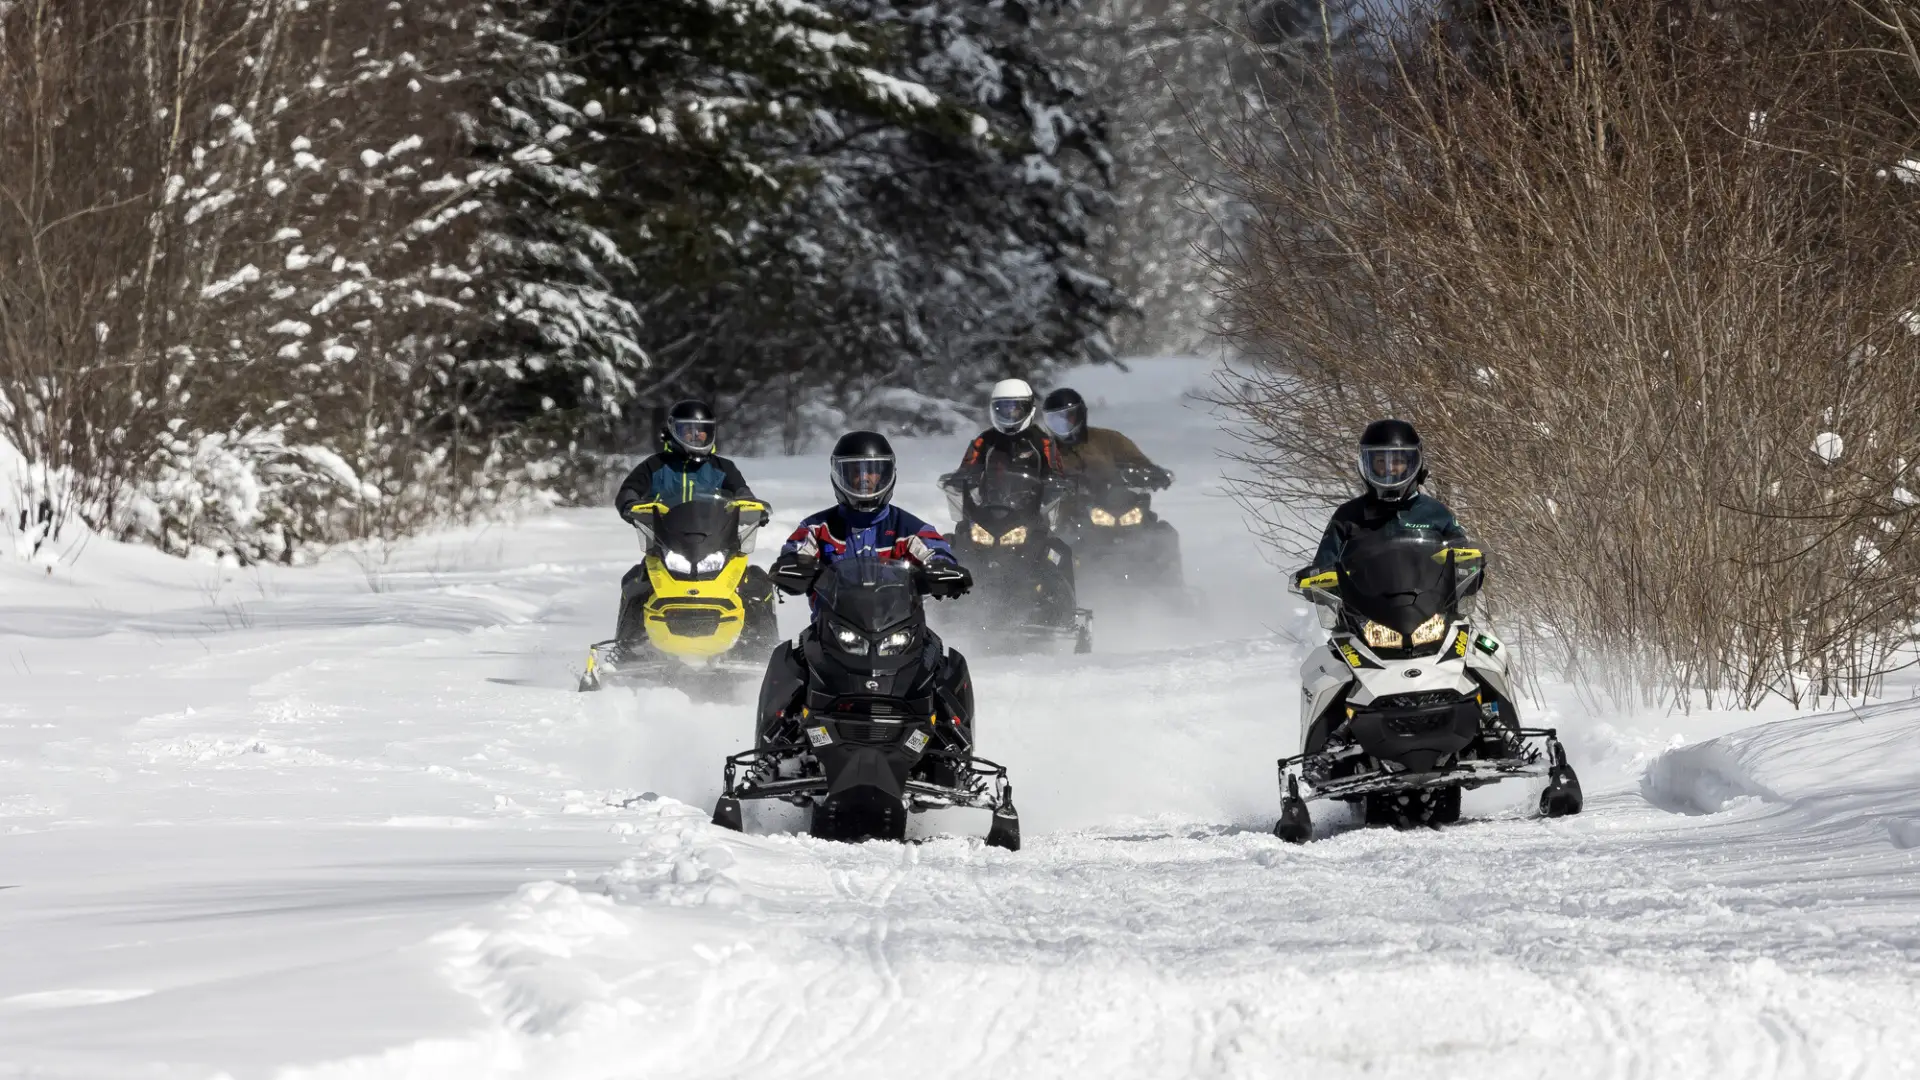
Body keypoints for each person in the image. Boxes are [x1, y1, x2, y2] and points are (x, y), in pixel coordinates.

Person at [757, 430, 973, 741]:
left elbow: (935, 549)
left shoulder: (907, 528)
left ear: (888, 474)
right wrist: (793, 568)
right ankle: (774, 748)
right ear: (838, 476)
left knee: (946, 664)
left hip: (902, 634)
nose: (863, 479)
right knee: (787, 660)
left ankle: (953, 748)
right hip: (830, 633)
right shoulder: (819, 528)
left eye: (872, 470)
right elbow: (795, 551)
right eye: (854, 471)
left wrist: (942, 570)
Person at [610, 399, 776, 648]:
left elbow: (742, 494)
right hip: (666, 545)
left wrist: (753, 509)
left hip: (718, 545)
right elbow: (629, 490)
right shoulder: (655, 467)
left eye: (702, 430)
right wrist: (631, 505)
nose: (696, 435)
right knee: (636, 582)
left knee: (756, 583)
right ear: (674, 431)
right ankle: (628, 647)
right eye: (689, 430)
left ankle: (761, 645)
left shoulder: (723, 468)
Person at [1305, 418, 1471, 576]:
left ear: (1413, 464)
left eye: (1397, 461)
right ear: (1367, 464)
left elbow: (1466, 564)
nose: (1389, 468)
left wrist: (1469, 566)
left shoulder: (1435, 513)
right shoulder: (1348, 516)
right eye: (1380, 461)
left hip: (1429, 604)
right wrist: (1319, 577)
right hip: (1362, 605)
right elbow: (1323, 567)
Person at [1041, 387, 1172, 490]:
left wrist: (1152, 473)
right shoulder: (1045, 448)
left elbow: (1137, 460)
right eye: (1054, 420)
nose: (1061, 425)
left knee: (1155, 523)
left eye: (1067, 417)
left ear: (1080, 415)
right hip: (1070, 511)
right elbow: (1031, 473)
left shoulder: (1108, 439)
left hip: (1115, 502)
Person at [955, 378, 1065, 478]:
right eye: (1004, 408)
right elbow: (966, 468)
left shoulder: (1042, 441)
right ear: (995, 409)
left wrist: (1055, 482)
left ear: (1027, 409)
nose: (1009, 413)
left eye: (1014, 409)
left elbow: (1056, 472)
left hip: (1035, 498)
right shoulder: (985, 440)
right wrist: (961, 479)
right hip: (990, 498)